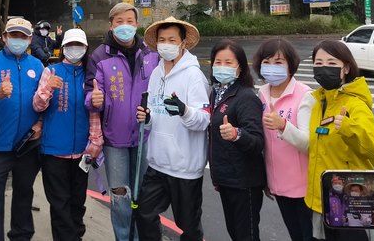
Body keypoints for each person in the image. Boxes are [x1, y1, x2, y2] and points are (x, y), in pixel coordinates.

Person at [85, 2, 159, 241]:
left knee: (143, 195)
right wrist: (93, 98)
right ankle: (124, 237)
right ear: (111, 25)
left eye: (130, 21)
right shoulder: (99, 56)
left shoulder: (151, 54)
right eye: (119, 22)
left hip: (144, 136)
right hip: (114, 139)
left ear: (137, 24)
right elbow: (90, 93)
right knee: (120, 197)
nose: (125, 26)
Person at [135, 17, 210, 241]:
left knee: (188, 225)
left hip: (184, 167)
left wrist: (184, 110)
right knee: (144, 213)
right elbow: (153, 115)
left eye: (171, 39)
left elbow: (204, 119)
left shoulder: (194, 76)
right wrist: (146, 118)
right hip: (157, 162)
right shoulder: (156, 74)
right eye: (162, 40)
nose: (166, 44)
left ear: (182, 43)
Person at [0, 18, 44, 241]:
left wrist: (40, 124)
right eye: (14, 35)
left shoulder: (37, 66)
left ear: (30, 39)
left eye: (23, 36)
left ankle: (22, 235)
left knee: (24, 193)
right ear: (4, 37)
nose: (18, 40)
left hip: (27, 145)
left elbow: (44, 100)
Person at [305, 40, 374, 241]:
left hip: (351, 203)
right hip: (322, 200)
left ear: (346, 67)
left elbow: (372, 149)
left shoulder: (356, 105)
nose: (324, 68)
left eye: (331, 63)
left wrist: (349, 128)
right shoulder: (319, 102)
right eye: (318, 63)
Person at [33, 28, 103, 241]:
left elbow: (94, 113)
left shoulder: (92, 76)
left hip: (82, 152)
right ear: (63, 48)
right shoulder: (51, 71)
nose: (75, 49)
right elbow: (37, 106)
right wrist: (47, 89)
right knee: (59, 204)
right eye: (71, 45)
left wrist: (95, 142)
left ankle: (76, 236)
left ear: (85, 48)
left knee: (77, 202)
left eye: (79, 45)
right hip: (54, 151)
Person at [253, 38, 315, 241]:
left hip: (303, 187)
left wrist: (283, 126)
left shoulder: (305, 95)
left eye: (278, 62)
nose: (272, 67)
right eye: (267, 61)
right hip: (277, 184)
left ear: (291, 65)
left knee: (309, 236)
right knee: (295, 234)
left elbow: (308, 144)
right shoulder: (261, 94)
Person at [208, 39, 265, 241]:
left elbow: (257, 141)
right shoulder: (217, 94)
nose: (222, 67)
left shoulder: (245, 97)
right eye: (218, 62)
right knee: (235, 232)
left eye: (229, 62)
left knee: (245, 235)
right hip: (226, 179)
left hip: (244, 182)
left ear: (240, 68)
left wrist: (236, 134)